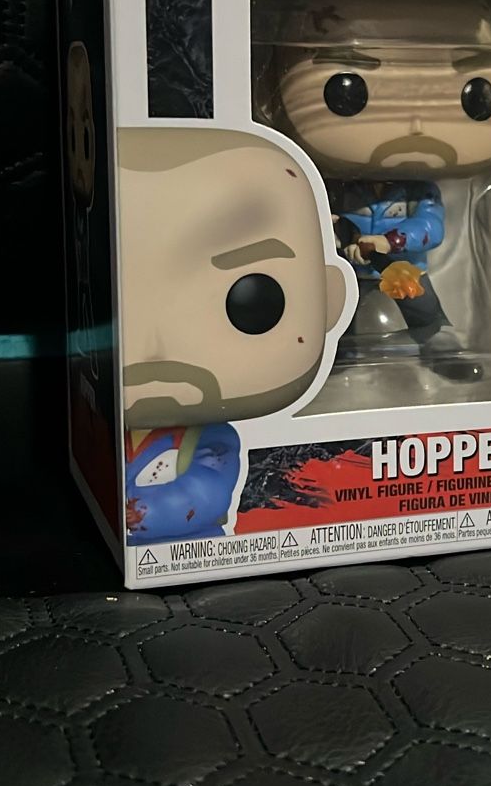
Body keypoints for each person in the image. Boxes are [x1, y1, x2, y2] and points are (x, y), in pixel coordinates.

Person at [117, 126, 353, 541]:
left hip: (191, 551)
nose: (156, 347)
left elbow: (206, 494)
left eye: (253, 300)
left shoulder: (212, 440)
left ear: (329, 297)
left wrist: (143, 510)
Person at [277, 0, 491, 382]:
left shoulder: (419, 189)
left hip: (403, 266)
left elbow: (432, 226)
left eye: (475, 96)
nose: (416, 126)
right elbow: (312, 216)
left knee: (425, 311)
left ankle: (438, 345)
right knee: (338, 314)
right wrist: (332, 232)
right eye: (348, 91)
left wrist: (393, 240)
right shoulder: (335, 185)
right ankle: (335, 355)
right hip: (350, 269)